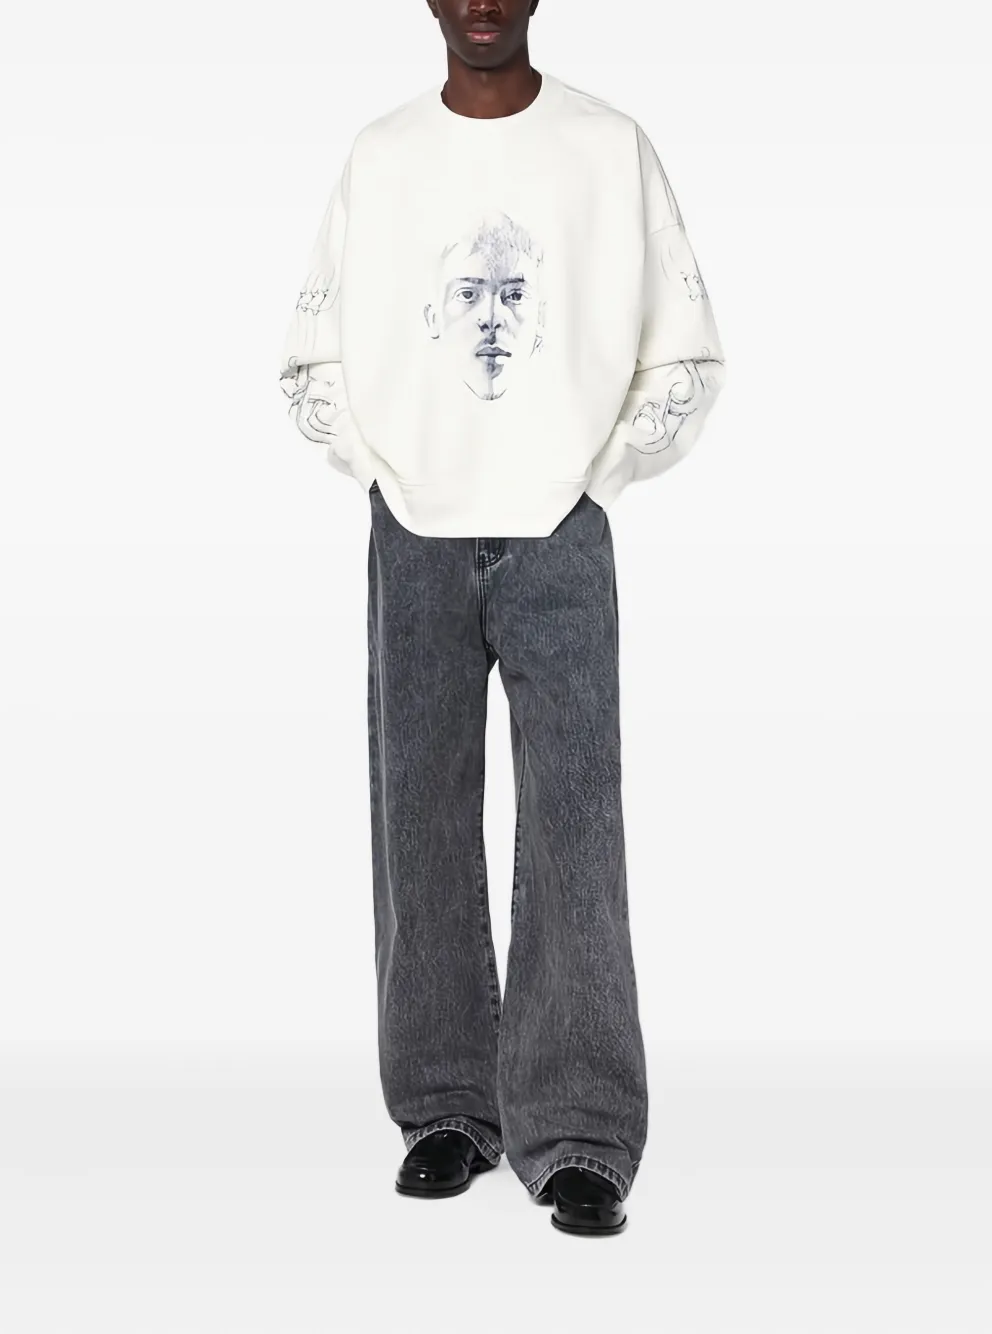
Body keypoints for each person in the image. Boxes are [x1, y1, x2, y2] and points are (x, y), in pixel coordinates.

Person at [279, 0, 725, 1237]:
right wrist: (384, 471)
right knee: (417, 811)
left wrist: (596, 478)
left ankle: (579, 1128)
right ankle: (445, 1106)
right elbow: (309, 354)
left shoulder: (606, 148)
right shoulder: (382, 157)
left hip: (560, 525)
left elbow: (686, 350)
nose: (480, 0)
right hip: (413, 529)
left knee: (575, 815)